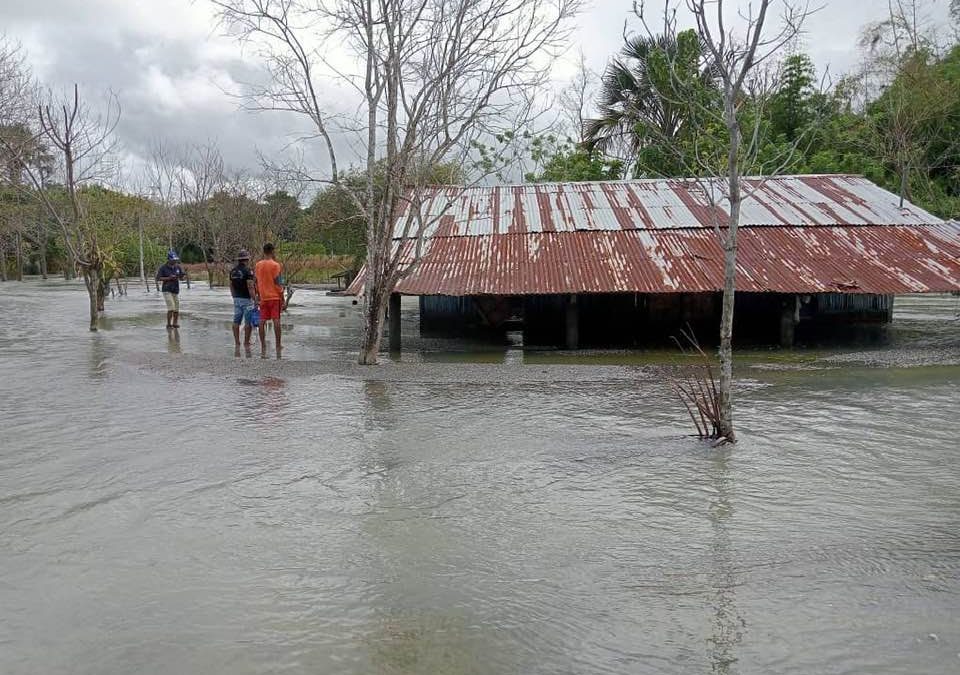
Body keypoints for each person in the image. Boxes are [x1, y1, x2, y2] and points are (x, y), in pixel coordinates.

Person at [254, 242, 285, 355]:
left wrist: (258, 294)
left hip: (263, 297)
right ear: (272, 251)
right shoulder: (275, 265)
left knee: (262, 321)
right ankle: (278, 344)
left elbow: (256, 281)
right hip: (274, 296)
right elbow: (278, 283)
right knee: (276, 320)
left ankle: (263, 345)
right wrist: (282, 297)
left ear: (263, 251)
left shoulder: (258, 265)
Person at [229, 249, 258, 349]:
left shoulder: (233, 271)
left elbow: (231, 286)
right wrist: (255, 299)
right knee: (248, 322)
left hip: (236, 298)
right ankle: (246, 342)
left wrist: (234, 296)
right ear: (247, 259)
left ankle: (237, 342)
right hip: (246, 299)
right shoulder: (248, 271)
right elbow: (250, 286)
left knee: (236, 321)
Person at [156, 250, 186, 328]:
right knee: (171, 307)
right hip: (167, 289)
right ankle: (168, 324)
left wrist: (182, 276)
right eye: (173, 259)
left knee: (176, 308)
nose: (175, 261)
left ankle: (175, 323)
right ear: (169, 259)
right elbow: (158, 278)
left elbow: (181, 278)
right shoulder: (163, 268)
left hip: (175, 289)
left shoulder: (178, 267)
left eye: (175, 259)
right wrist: (169, 278)